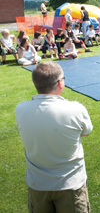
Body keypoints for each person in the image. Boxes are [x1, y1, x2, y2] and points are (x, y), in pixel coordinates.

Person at [15, 61, 92, 212]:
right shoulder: (75, 109)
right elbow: (86, 131)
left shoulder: (21, 109)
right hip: (71, 185)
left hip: (38, 184)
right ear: (60, 83)